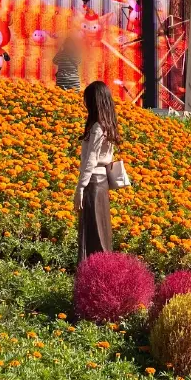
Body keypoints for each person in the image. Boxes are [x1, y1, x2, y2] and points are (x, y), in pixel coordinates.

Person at [74, 81, 120, 262]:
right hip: (102, 184)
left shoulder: (96, 127)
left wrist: (80, 189)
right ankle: (103, 268)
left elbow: (90, 160)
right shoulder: (108, 125)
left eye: (88, 100)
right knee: (101, 230)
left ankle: (93, 269)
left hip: (93, 184)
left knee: (92, 232)